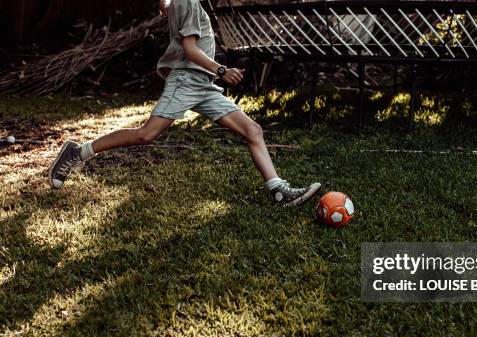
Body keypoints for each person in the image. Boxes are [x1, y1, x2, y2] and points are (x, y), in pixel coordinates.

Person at [48, 0, 321, 206]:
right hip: (187, 80)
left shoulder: (180, 1)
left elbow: (166, 7)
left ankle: (277, 189)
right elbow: (190, 50)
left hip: (201, 84)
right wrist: (221, 70)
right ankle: (78, 152)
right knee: (147, 134)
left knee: (253, 130)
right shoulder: (188, 2)